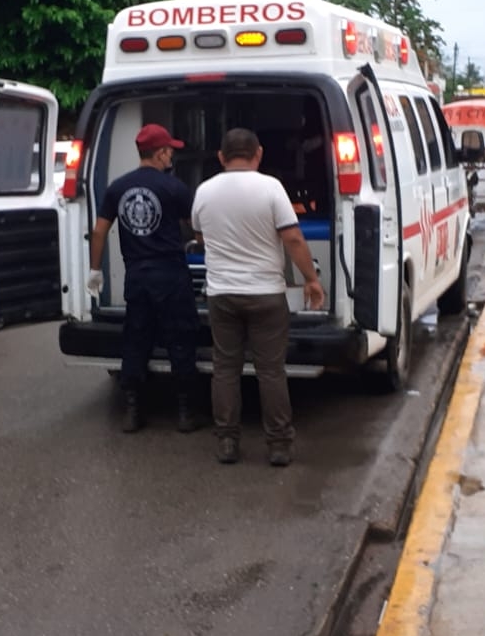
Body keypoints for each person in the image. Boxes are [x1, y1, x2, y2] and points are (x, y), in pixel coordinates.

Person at [192, 128, 325, 467]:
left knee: (224, 369)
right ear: (259, 154)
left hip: (221, 294)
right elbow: (293, 238)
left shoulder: (204, 191)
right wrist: (311, 280)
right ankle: (278, 445)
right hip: (266, 294)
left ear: (221, 157)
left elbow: (200, 235)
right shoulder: (271, 188)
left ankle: (226, 442)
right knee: (270, 371)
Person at [89, 124, 200, 433]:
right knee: (180, 340)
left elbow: (99, 230)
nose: (172, 156)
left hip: (136, 275)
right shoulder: (174, 188)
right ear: (160, 152)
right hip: (171, 275)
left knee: (136, 340)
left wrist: (95, 270)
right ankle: (185, 412)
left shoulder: (117, 188)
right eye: (170, 151)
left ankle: (133, 411)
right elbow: (195, 226)